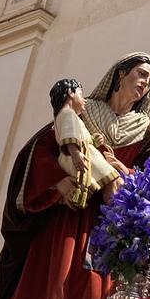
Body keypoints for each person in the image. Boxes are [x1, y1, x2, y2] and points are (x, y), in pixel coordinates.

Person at [0, 53, 150, 299]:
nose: (145, 83)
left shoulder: (148, 130)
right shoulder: (82, 109)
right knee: (55, 282)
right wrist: (58, 182)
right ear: (121, 74)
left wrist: (123, 171)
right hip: (66, 219)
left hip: (106, 225)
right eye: (142, 74)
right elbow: (38, 150)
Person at [50, 78, 119, 209]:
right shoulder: (68, 114)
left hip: (76, 154)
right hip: (83, 156)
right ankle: (115, 213)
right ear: (71, 93)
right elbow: (70, 137)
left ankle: (79, 197)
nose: (85, 100)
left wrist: (93, 140)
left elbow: (76, 135)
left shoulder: (62, 116)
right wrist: (76, 155)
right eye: (81, 95)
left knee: (97, 184)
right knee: (113, 180)